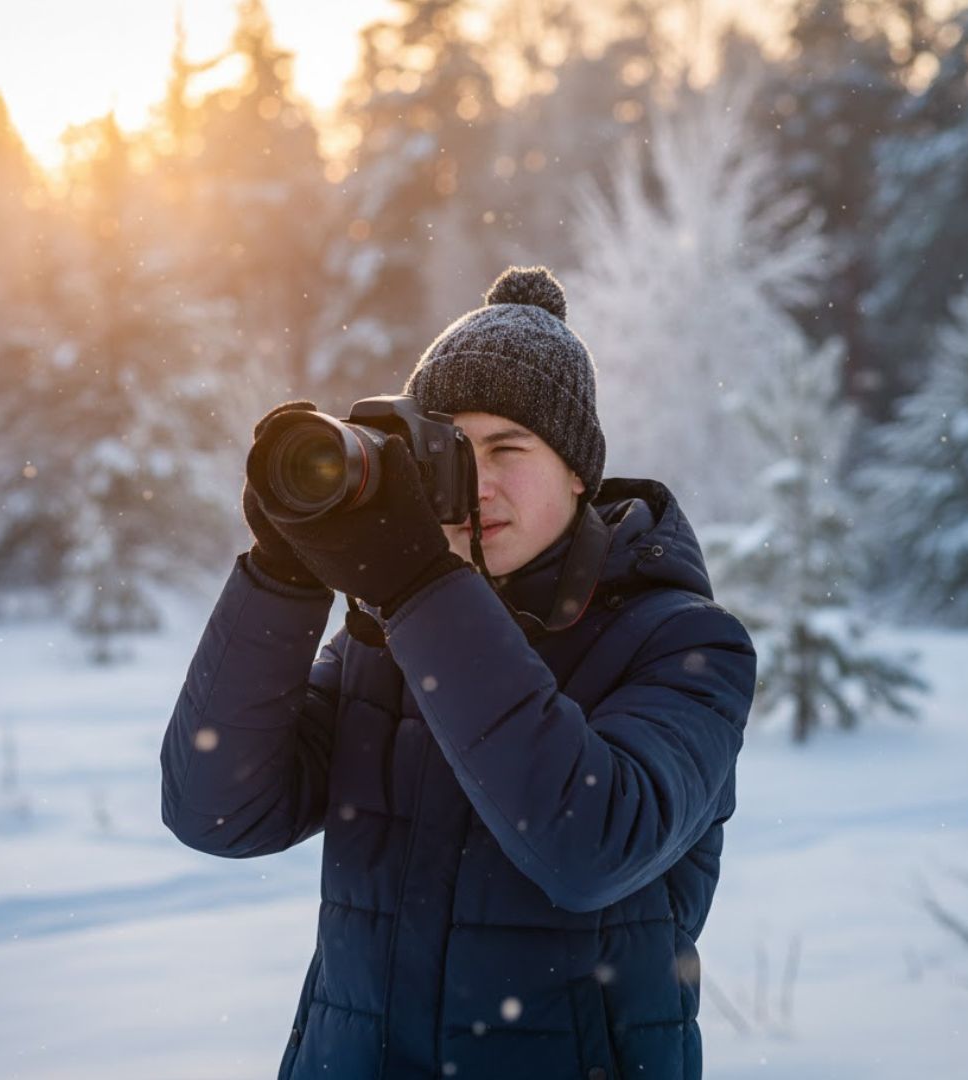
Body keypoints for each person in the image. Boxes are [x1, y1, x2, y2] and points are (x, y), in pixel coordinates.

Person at [159, 266, 757, 1080]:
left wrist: (417, 588)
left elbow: (589, 847)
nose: (477, 483)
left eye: (509, 447)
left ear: (579, 470)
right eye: (450, 451)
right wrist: (284, 575)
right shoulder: (388, 639)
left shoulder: (687, 643)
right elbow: (217, 812)